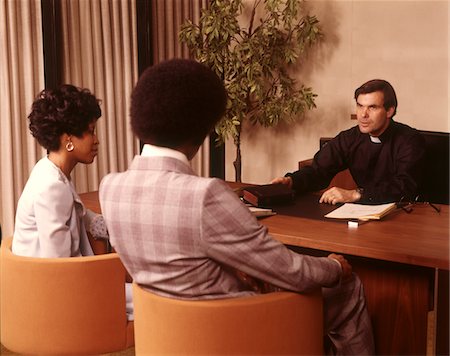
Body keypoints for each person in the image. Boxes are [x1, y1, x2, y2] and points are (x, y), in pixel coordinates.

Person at [100, 59, 374, 355]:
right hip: (231, 333)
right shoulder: (204, 195)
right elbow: (292, 271)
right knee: (345, 286)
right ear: (203, 129)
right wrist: (333, 266)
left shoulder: (111, 187)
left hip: (169, 334)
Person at [13, 84, 133, 319]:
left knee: (146, 295)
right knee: (150, 298)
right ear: (68, 138)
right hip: (56, 297)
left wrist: (127, 228)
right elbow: (59, 267)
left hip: (57, 286)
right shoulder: (52, 187)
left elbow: (87, 218)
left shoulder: (50, 172)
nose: (96, 140)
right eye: (90, 131)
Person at [272, 79, 425, 205]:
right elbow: (319, 171)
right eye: (360, 106)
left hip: (406, 215)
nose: (363, 114)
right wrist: (292, 181)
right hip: (365, 214)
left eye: (372, 107)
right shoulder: (350, 138)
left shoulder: (410, 140)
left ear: (389, 111)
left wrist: (355, 195)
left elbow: (405, 187)